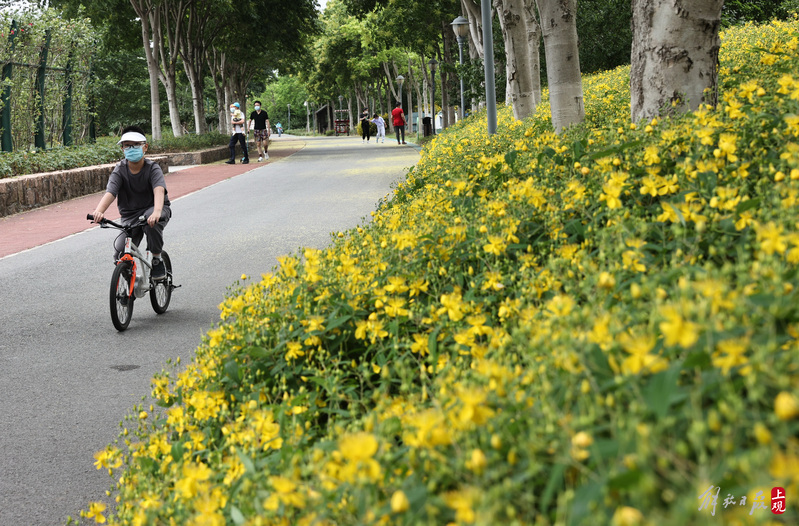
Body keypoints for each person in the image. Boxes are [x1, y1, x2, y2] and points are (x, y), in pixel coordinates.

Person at [91, 126, 171, 280]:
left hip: (154, 210)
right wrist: (99, 211)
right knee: (120, 254)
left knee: (151, 225)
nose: (131, 148)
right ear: (122, 149)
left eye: (136, 145)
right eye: (127, 145)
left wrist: (157, 212)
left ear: (145, 147)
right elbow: (111, 192)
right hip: (130, 216)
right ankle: (130, 286)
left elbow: (159, 190)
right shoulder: (120, 170)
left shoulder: (152, 168)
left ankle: (156, 259)